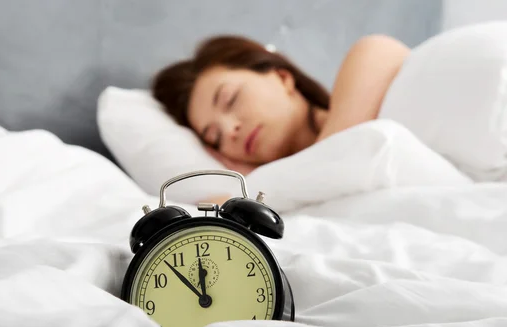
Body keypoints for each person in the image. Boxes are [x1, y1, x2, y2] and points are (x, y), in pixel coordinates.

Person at [152, 34, 410, 202]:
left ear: (282, 77)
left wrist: (259, 185)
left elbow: (341, 154)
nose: (231, 130)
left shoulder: (371, 55)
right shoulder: (295, 200)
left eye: (231, 99)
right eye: (215, 138)